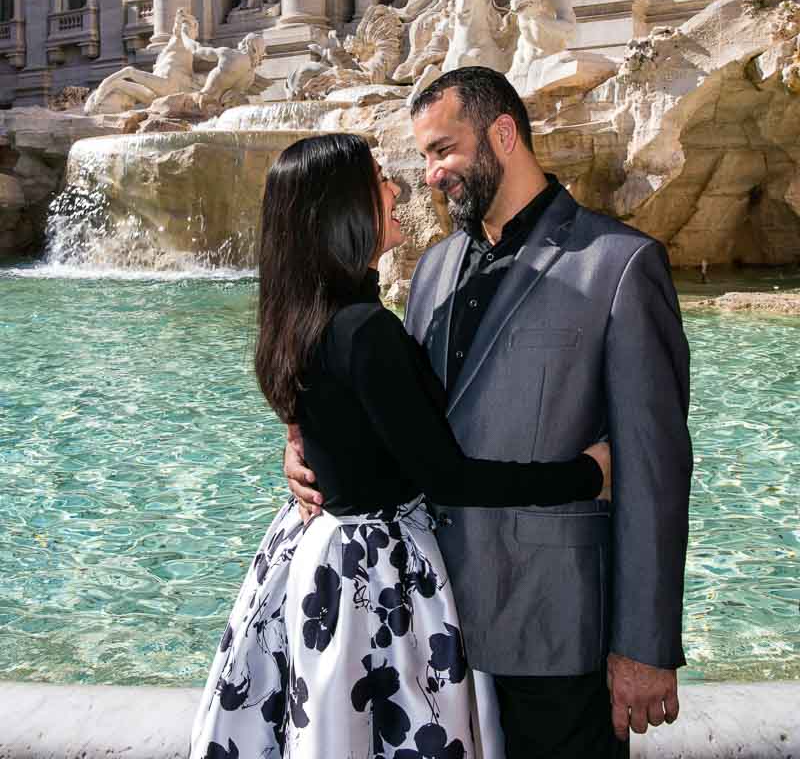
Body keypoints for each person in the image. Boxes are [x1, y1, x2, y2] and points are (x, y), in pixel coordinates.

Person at [288, 67, 693, 759]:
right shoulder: (434, 269)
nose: (431, 174)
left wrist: (645, 646)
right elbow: (392, 418)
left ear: (503, 135)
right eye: (422, 156)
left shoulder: (621, 266)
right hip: (429, 623)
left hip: (557, 632)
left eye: (443, 150)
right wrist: (305, 448)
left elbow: (654, 473)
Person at [189, 132, 612, 759]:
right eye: (379, 179)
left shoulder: (299, 319)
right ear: (341, 210)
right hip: (377, 576)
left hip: (317, 555)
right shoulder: (365, 331)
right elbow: (451, 480)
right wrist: (588, 474)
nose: (396, 189)